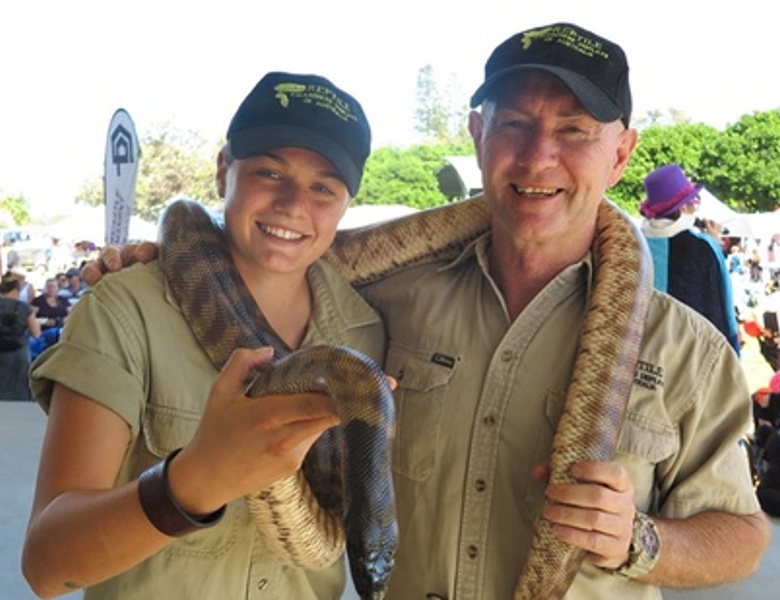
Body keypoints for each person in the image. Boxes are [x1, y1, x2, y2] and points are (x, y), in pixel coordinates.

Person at [80, 23, 770, 599]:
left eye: (576, 130)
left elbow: (741, 539)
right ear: (477, 132)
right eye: (516, 124)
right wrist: (168, 251)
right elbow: (279, 257)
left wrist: (641, 539)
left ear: (622, 152)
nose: (539, 155)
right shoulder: (382, 301)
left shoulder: (689, 350)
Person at [23, 72, 382, 599]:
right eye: (268, 171)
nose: (291, 203)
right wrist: (195, 480)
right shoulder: (126, 308)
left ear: (347, 202)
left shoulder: (370, 329)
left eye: (323, 186)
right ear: (223, 171)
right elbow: (47, 566)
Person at [639, 164, 741, 354]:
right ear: (685, 206)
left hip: (643, 355)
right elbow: (723, 310)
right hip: (694, 354)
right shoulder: (704, 246)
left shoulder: (634, 244)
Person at [0, 275, 40, 400]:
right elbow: (36, 332)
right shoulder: (24, 307)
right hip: (19, 352)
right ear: (16, 291)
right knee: (20, 385)